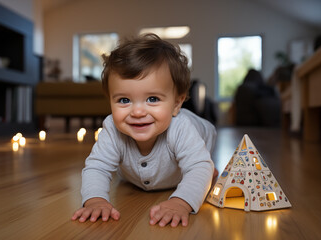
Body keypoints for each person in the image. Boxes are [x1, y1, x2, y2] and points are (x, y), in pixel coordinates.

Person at [71, 34, 217, 227]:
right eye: (124, 100)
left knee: (202, 166)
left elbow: (198, 167)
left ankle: (209, 167)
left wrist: (180, 202)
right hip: (138, 173)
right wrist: (95, 199)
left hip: (202, 132)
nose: (138, 112)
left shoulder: (181, 128)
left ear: (176, 103)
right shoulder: (112, 128)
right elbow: (97, 167)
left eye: (153, 99)